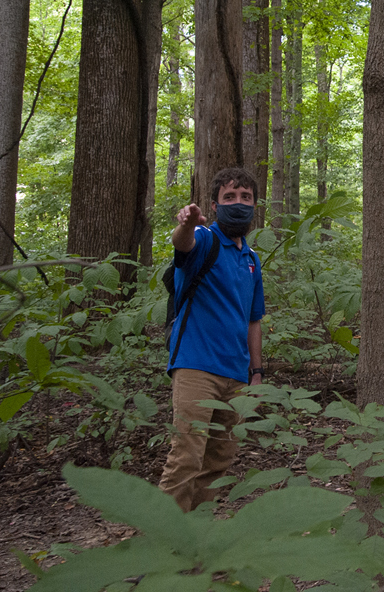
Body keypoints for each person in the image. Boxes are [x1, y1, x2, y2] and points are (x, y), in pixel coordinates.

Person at [158, 167, 265, 512]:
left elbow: (253, 319)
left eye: (245, 197)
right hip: (196, 366)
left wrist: (258, 372)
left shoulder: (251, 260)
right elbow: (182, 243)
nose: (238, 204)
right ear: (216, 204)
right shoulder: (204, 240)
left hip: (236, 375)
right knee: (186, 456)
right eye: (229, 197)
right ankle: (158, 547)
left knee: (218, 464)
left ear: (254, 204)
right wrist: (187, 223)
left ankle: (195, 545)